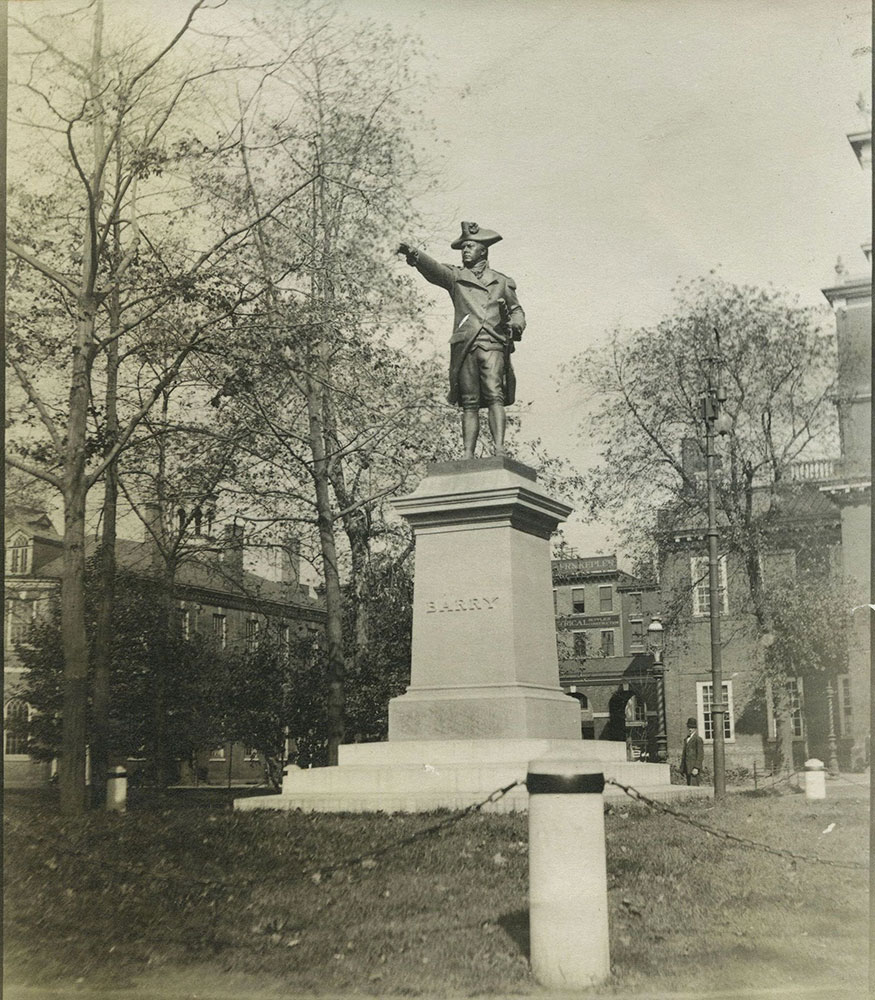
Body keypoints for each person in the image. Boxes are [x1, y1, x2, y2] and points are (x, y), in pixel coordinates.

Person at [398, 221, 526, 459]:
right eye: (462, 248)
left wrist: (515, 325)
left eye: (469, 246)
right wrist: (414, 253)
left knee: (494, 394)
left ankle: (499, 449)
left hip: (492, 343)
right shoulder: (456, 277)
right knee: (469, 402)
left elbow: (517, 310)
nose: (465, 251)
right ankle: (467, 454)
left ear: (483, 251)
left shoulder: (501, 281)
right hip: (466, 346)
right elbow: (435, 269)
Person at [680, 716, 704, 786]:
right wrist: (682, 768)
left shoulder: (698, 739)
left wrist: (696, 767)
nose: (690, 729)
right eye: (689, 727)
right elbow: (684, 755)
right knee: (689, 786)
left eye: (692, 727)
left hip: (694, 768)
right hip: (687, 767)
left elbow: (700, 755)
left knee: (694, 786)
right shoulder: (686, 739)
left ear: (695, 729)